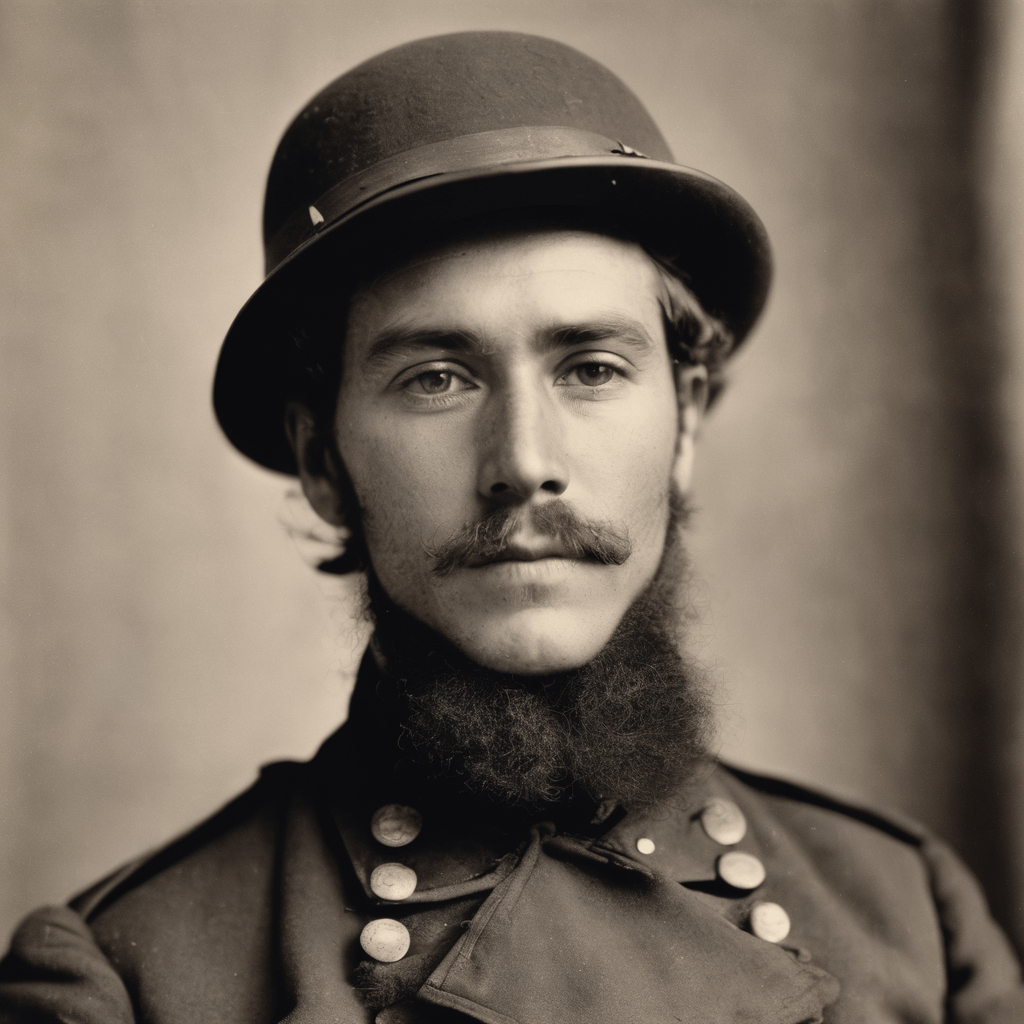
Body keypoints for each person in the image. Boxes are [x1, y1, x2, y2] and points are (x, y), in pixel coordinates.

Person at [1, 29, 1021, 1024]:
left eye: (592, 369)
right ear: (322, 462)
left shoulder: (912, 919)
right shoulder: (127, 976)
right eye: (436, 379)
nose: (525, 462)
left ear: (685, 421)